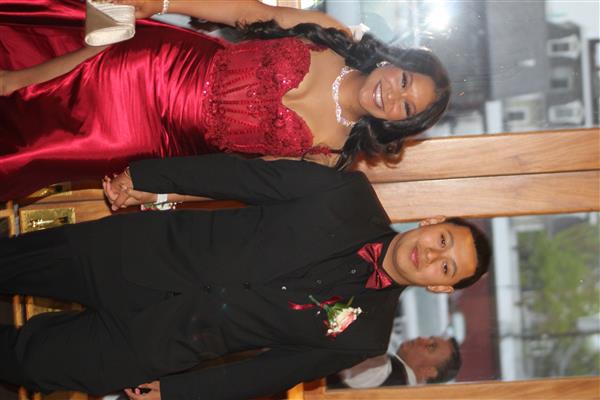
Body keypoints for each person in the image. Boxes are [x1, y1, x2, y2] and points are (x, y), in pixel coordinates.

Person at [0, 154, 490, 400]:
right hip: (137, 255)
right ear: (432, 222)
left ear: (440, 286)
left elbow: (267, 373)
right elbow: (240, 176)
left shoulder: (366, 337)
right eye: (443, 239)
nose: (431, 254)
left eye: (445, 266)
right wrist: (149, 179)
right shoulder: (347, 195)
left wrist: (176, 393)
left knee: (28, 364)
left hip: (155, 345)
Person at [0, 0, 451, 201]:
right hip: (165, 61)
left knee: (39, 151)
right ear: (394, 62)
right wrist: (161, 3)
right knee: (48, 68)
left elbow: (233, 179)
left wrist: (153, 189)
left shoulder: (330, 157)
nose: (393, 95)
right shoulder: (332, 35)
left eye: (406, 107)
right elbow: (247, 12)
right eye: (404, 80)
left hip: (157, 140)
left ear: (398, 124)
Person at [335, 336, 461, 388]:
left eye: (431, 347)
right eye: (429, 338)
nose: (421, 339)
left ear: (429, 371)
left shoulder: (381, 367)